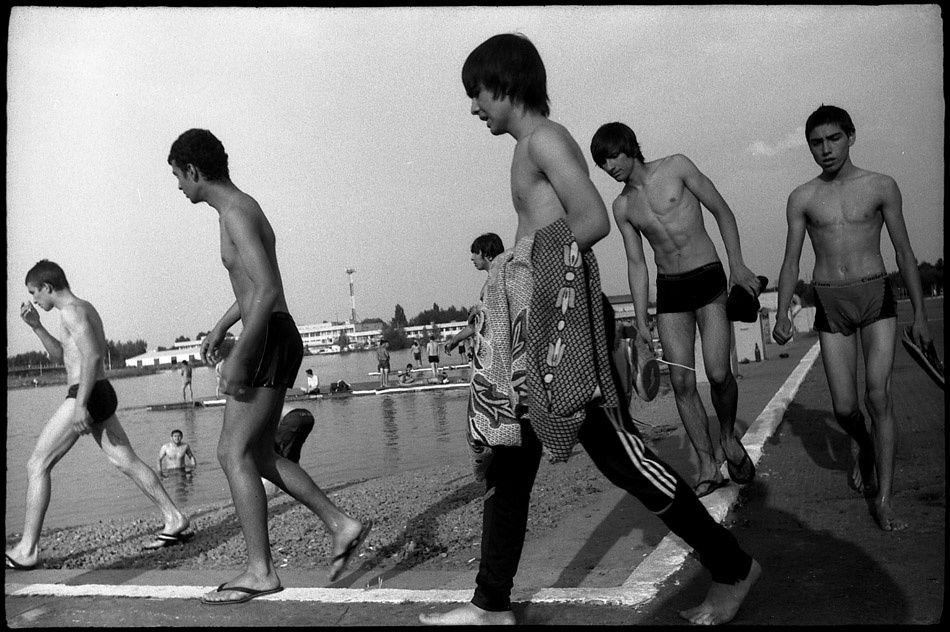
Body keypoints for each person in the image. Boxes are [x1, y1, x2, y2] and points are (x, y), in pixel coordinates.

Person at [419, 34, 759, 626]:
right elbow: (550, 228)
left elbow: (593, 219)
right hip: (539, 327)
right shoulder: (527, 147)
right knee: (509, 461)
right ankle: (490, 604)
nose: (474, 108)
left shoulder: (543, 139)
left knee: (625, 460)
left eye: (477, 94)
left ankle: (733, 568)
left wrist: (517, 267)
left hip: (568, 325)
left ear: (505, 85)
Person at [168, 129, 370, 604]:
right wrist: (222, 327)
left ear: (194, 170)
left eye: (177, 176)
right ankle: (340, 523)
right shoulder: (241, 208)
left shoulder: (236, 213)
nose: (177, 186)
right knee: (257, 454)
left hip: (267, 336)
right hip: (273, 333)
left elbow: (267, 290)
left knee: (230, 452)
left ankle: (261, 571)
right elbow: (254, 286)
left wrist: (239, 354)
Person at [772, 105, 937, 532]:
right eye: (816, 143)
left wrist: (920, 315)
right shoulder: (802, 197)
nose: (825, 149)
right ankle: (865, 444)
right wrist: (783, 311)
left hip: (875, 294)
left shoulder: (881, 185)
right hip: (831, 301)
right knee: (845, 409)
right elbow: (791, 261)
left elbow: (904, 252)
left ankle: (884, 500)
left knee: (878, 397)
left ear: (851, 137)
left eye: (833, 139)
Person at [590, 121, 764, 497]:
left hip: (708, 278)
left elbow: (722, 210)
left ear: (630, 147)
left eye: (613, 156)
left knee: (718, 374)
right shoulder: (623, 206)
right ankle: (707, 465)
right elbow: (637, 263)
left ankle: (727, 437)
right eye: (602, 163)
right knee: (682, 383)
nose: (609, 167)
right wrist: (641, 322)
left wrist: (737, 265)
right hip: (670, 292)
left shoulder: (677, 167)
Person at [6, 260, 192, 571]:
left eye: (34, 292)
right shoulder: (80, 309)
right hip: (98, 390)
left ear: (47, 287)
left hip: (87, 392)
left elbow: (92, 355)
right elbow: (62, 355)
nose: (33, 299)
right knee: (125, 460)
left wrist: (80, 405)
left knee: (37, 464)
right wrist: (36, 326)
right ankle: (174, 517)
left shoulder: (72, 311)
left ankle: (27, 550)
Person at [445, 233, 505, 358]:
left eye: (476, 253)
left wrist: (478, 310)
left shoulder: (499, 280)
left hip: (498, 351)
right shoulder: (491, 280)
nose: (472, 258)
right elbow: (476, 324)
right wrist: (455, 340)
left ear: (487, 255)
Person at [263, 406, 316, 496]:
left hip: (293, 417)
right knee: (293, 455)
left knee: (274, 454)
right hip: (308, 416)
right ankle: (300, 486)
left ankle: (269, 491)